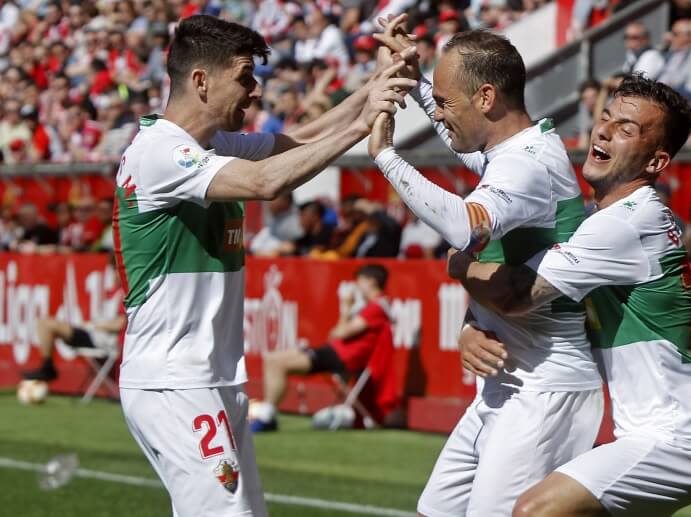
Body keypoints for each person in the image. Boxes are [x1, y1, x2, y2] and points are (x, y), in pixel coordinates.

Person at [113, 15, 415, 517]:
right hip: (176, 383)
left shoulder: (208, 146)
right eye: (245, 78)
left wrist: (377, 83)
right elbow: (263, 183)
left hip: (210, 379)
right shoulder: (160, 153)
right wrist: (365, 125)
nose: (255, 92)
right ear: (201, 81)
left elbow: (297, 140)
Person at [448, 74, 691, 517]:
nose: (604, 131)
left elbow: (518, 294)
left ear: (656, 163)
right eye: (606, 118)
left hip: (677, 439)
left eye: (627, 129)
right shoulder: (605, 222)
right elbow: (540, 301)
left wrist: (458, 261)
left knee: (535, 511)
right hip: (650, 432)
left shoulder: (624, 224)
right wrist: (472, 325)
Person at [371, 22, 603, 516]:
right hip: (509, 380)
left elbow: (463, 227)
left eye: (448, 103)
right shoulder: (515, 151)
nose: (440, 115)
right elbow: (457, 128)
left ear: (487, 97)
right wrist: (418, 85)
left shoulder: (526, 165)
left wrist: (386, 157)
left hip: (544, 389)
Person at [258, 264, 398, 430]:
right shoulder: (373, 306)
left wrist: (345, 308)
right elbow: (336, 334)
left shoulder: (376, 307)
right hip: (337, 352)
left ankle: (266, 417)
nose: (356, 286)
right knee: (272, 358)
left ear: (371, 281)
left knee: (277, 362)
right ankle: (267, 413)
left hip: (343, 358)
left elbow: (340, 333)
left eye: (359, 281)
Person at [22, 255, 125, 381]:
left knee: (46, 324)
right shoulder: (113, 292)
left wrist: (93, 325)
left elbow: (120, 324)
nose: (112, 274)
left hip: (101, 340)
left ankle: (47, 368)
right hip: (93, 335)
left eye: (115, 270)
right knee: (44, 322)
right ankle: (47, 366)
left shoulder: (123, 294)